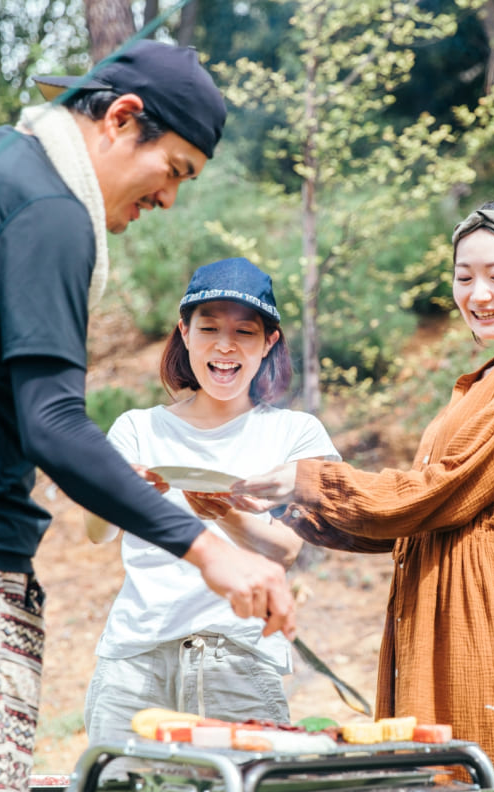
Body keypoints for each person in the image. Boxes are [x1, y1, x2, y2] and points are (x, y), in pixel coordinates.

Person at [0, 41, 295, 792]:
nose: (169, 200)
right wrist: (209, 550)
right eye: (174, 171)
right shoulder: (52, 207)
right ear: (121, 118)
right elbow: (55, 424)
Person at [232, 189, 494, 792]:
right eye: (464, 277)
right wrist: (290, 504)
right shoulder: (480, 381)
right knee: (421, 776)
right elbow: (415, 517)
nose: (478, 294)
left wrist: (309, 479)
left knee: (475, 772)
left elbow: (439, 492)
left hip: (484, 606)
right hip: (430, 598)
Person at [82, 257, 340, 744]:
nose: (225, 346)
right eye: (208, 328)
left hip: (238, 660)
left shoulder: (296, 433)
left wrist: (225, 516)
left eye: (245, 331)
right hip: (135, 662)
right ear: (184, 332)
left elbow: (287, 550)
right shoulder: (138, 428)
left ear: (269, 343)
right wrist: (116, 492)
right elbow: (96, 533)